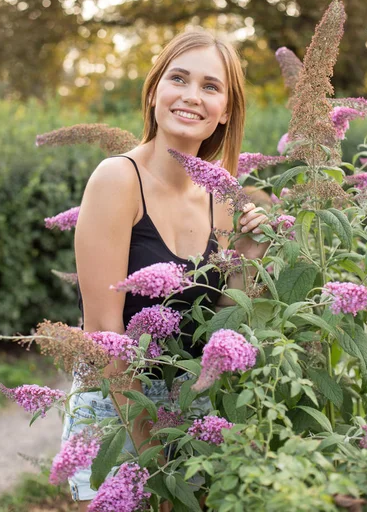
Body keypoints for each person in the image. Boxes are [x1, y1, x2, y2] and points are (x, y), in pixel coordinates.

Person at [62, 30, 269, 511]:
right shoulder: (117, 180)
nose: (192, 96)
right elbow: (102, 336)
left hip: (194, 410)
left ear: (227, 110)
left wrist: (252, 252)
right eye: (179, 78)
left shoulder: (225, 198)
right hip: (118, 405)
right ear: (155, 89)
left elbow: (223, 323)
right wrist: (157, 456)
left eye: (211, 87)